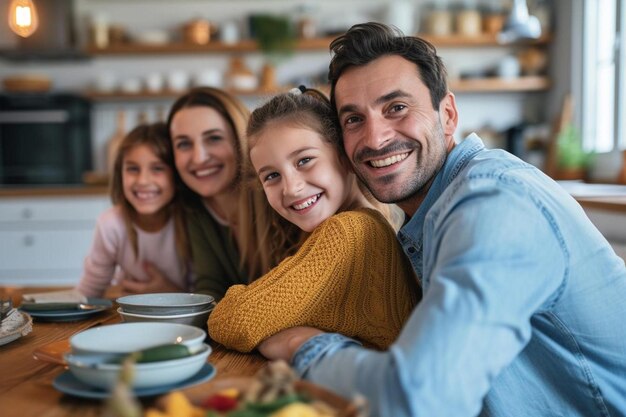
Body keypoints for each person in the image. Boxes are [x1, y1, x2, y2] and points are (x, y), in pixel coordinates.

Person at [258, 23, 626, 417]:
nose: (375, 138)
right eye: (353, 120)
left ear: (447, 114)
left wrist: (304, 346)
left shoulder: (494, 201)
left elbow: (420, 397)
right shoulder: (429, 215)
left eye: (396, 108)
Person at [208, 86, 420, 353]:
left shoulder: (346, 232)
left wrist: (284, 337)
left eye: (304, 160)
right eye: (271, 176)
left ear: (344, 156)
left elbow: (232, 322)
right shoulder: (366, 221)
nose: (291, 188)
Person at [166, 87, 301, 301]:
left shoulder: (278, 195)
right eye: (184, 144)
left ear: (242, 140)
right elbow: (210, 286)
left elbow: (296, 294)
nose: (199, 158)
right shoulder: (194, 209)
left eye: (214, 138)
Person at [76, 122, 191, 298]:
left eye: (157, 168)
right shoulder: (111, 224)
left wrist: (167, 292)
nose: (143, 181)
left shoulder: (191, 221)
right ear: (119, 173)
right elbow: (90, 289)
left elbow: (206, 296)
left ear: (176, 175)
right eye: (133, 169)